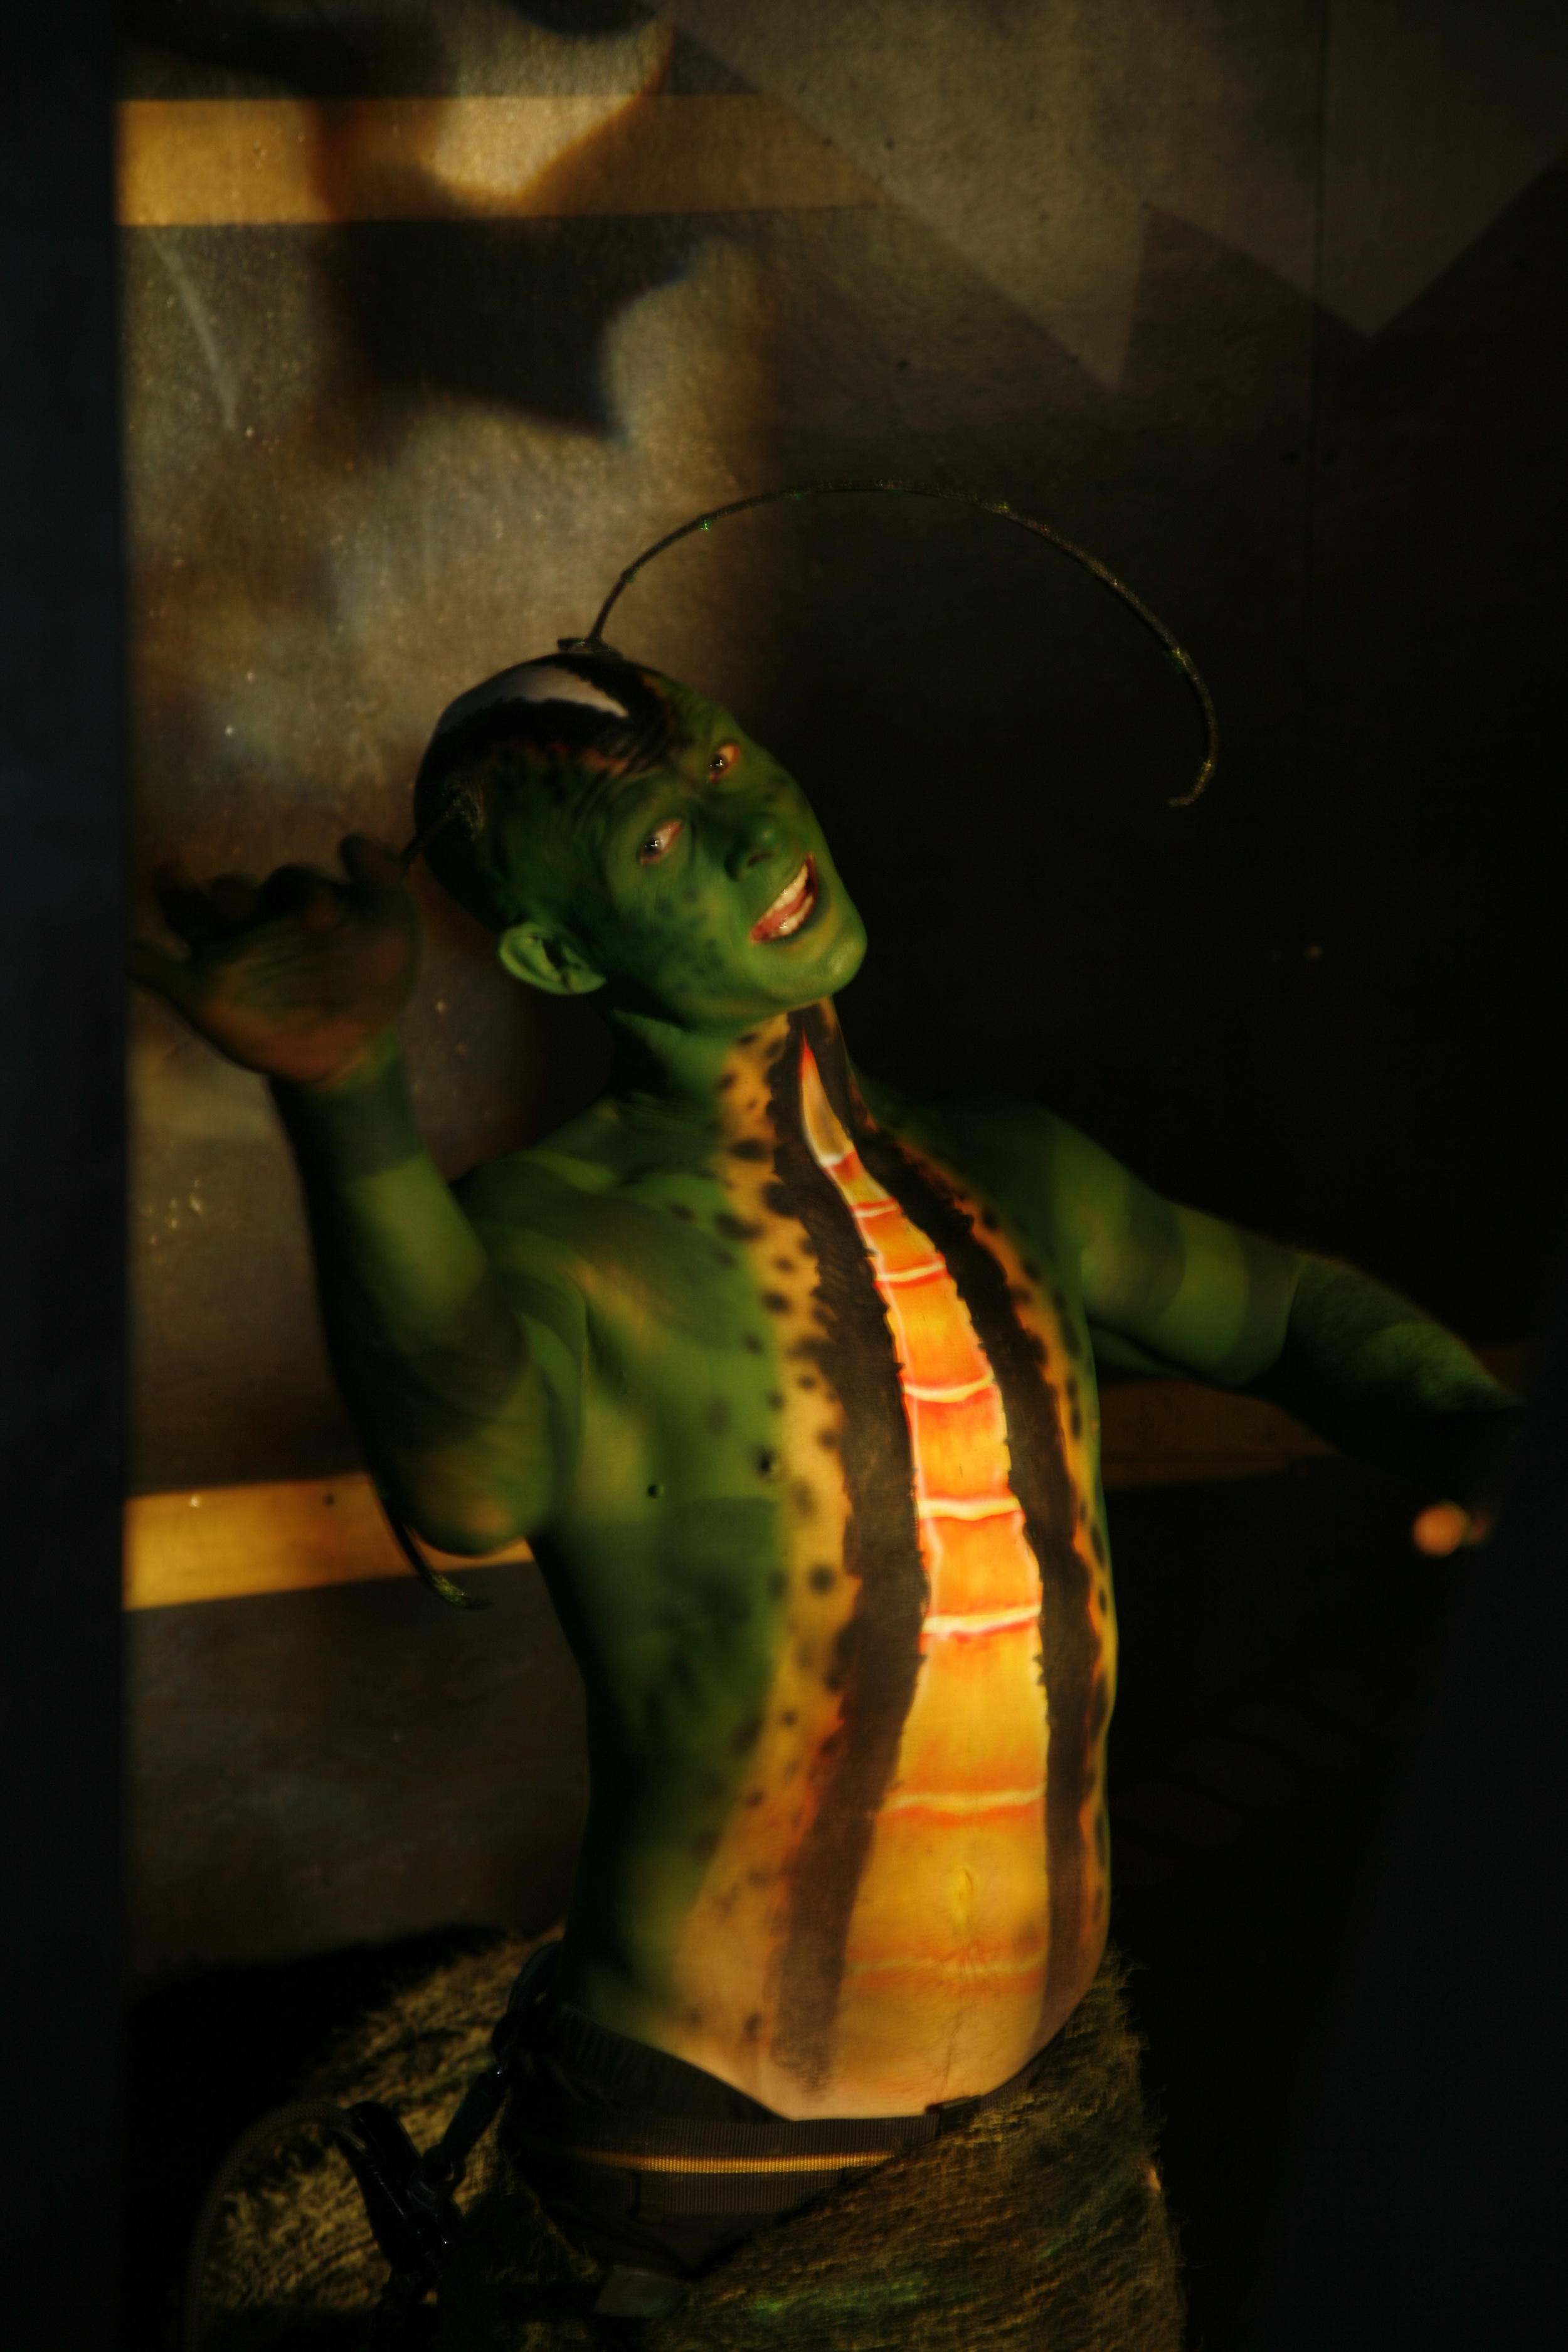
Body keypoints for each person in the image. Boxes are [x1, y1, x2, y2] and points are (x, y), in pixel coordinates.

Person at [137, 647, 1518, 2344]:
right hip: (721, 2170)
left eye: (723, 762)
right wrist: (349, 1103)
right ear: (559, 956)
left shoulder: (1008, 1166)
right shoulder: (554, 1239)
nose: (749, 836)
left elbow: (1291, 1315)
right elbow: (471, 1480)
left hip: (1040, 2126)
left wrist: (1476, 1437)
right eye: (657, 841)